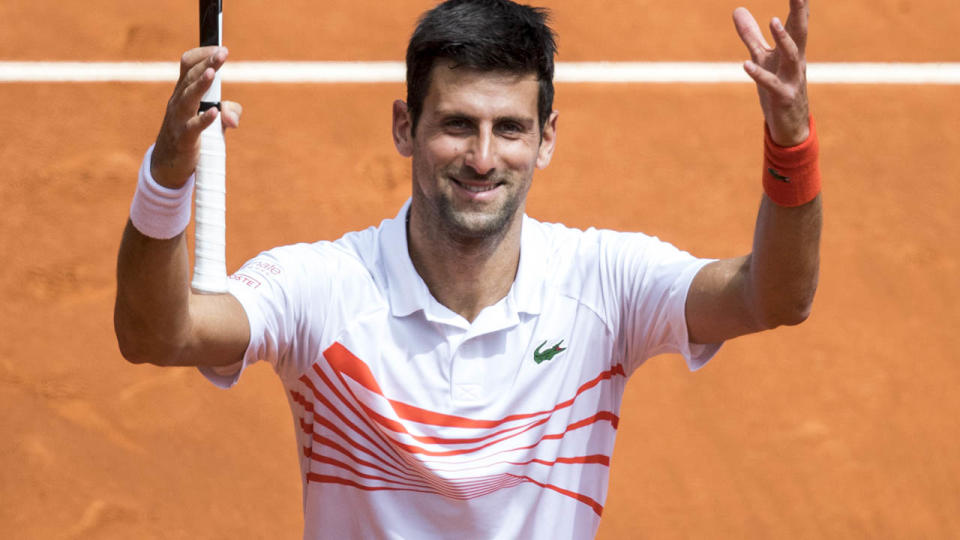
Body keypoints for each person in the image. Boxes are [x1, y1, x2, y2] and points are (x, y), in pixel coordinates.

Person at [114, 0, 821, 537]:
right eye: (457, 124)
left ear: (546, 139)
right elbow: (158, 334)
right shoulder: (323, 291)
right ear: (404, 127)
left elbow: (774, 296)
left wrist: (792, 147)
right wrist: (167, 175)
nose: (484, 158)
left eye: (509, 128)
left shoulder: (604, 284)